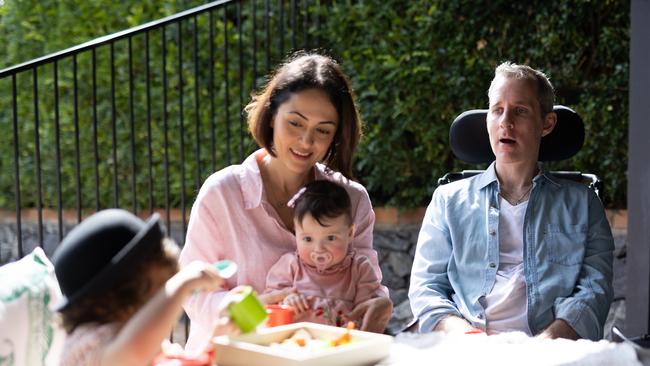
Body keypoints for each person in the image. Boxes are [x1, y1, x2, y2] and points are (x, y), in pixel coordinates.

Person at [179, 52, 392, 352]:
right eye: (295, 123)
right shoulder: (222, 193)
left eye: (323, 130)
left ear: (336, 136)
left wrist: (379, 304)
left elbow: (366, 284)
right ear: (271, 115)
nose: (306, 142)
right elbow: (193, 293)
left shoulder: (352, 199)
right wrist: (252, 313)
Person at [408, 62, 614, 341]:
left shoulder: (583, 204)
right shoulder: (448, 201)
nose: (506, 122)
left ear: (547, 123)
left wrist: (545, 345)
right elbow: (426, 288)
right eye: (497, 110)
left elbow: (595, 290)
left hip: (552, 350)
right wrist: (470, 339)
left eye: (520, 111)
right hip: (466, 347)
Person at [52, 209, 236, 366]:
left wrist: (214, 342)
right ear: (113, 298)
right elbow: (131, 353)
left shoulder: (138, 335)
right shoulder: (87, 344)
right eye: (160, 293)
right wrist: (183, 283)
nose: (167, 305)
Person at [264, 180, 384, 327]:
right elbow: (270, 302)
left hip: (341, 344)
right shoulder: (290, 266)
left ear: (350, 233)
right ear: (296, 234)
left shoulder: (359, 270)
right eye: (308, 239)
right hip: (297, 343)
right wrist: (286, 301)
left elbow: (367, 312)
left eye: (330, 238)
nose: (319, 249)